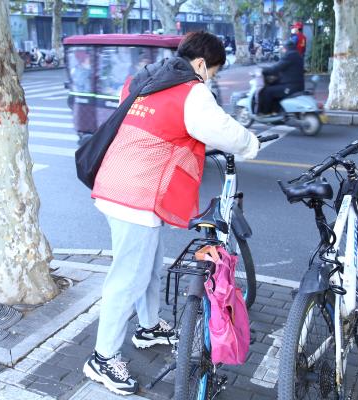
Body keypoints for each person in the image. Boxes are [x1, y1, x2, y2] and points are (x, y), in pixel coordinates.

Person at [82, 31, 259, 396]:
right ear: (201, 64)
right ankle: (102, 357)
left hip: (115, 183)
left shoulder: (143, 78)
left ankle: (148, 327)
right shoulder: (191, 91)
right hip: (136, 195)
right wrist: (252, 143)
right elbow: (222, 131)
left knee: (147, 266)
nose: (209, 79)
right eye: (212, 72)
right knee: (127, 278)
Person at [256, 39, 305, 115]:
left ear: (286, 48)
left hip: (291, 86)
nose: (282, 50)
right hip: (296, 84)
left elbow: (276, 68)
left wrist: (263, 70)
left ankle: (265, 113)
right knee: (274, 87)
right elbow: (283, 67)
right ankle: (275, 111)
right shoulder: (297, 54)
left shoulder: (290, 55)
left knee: (267, 91)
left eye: (283, 48)